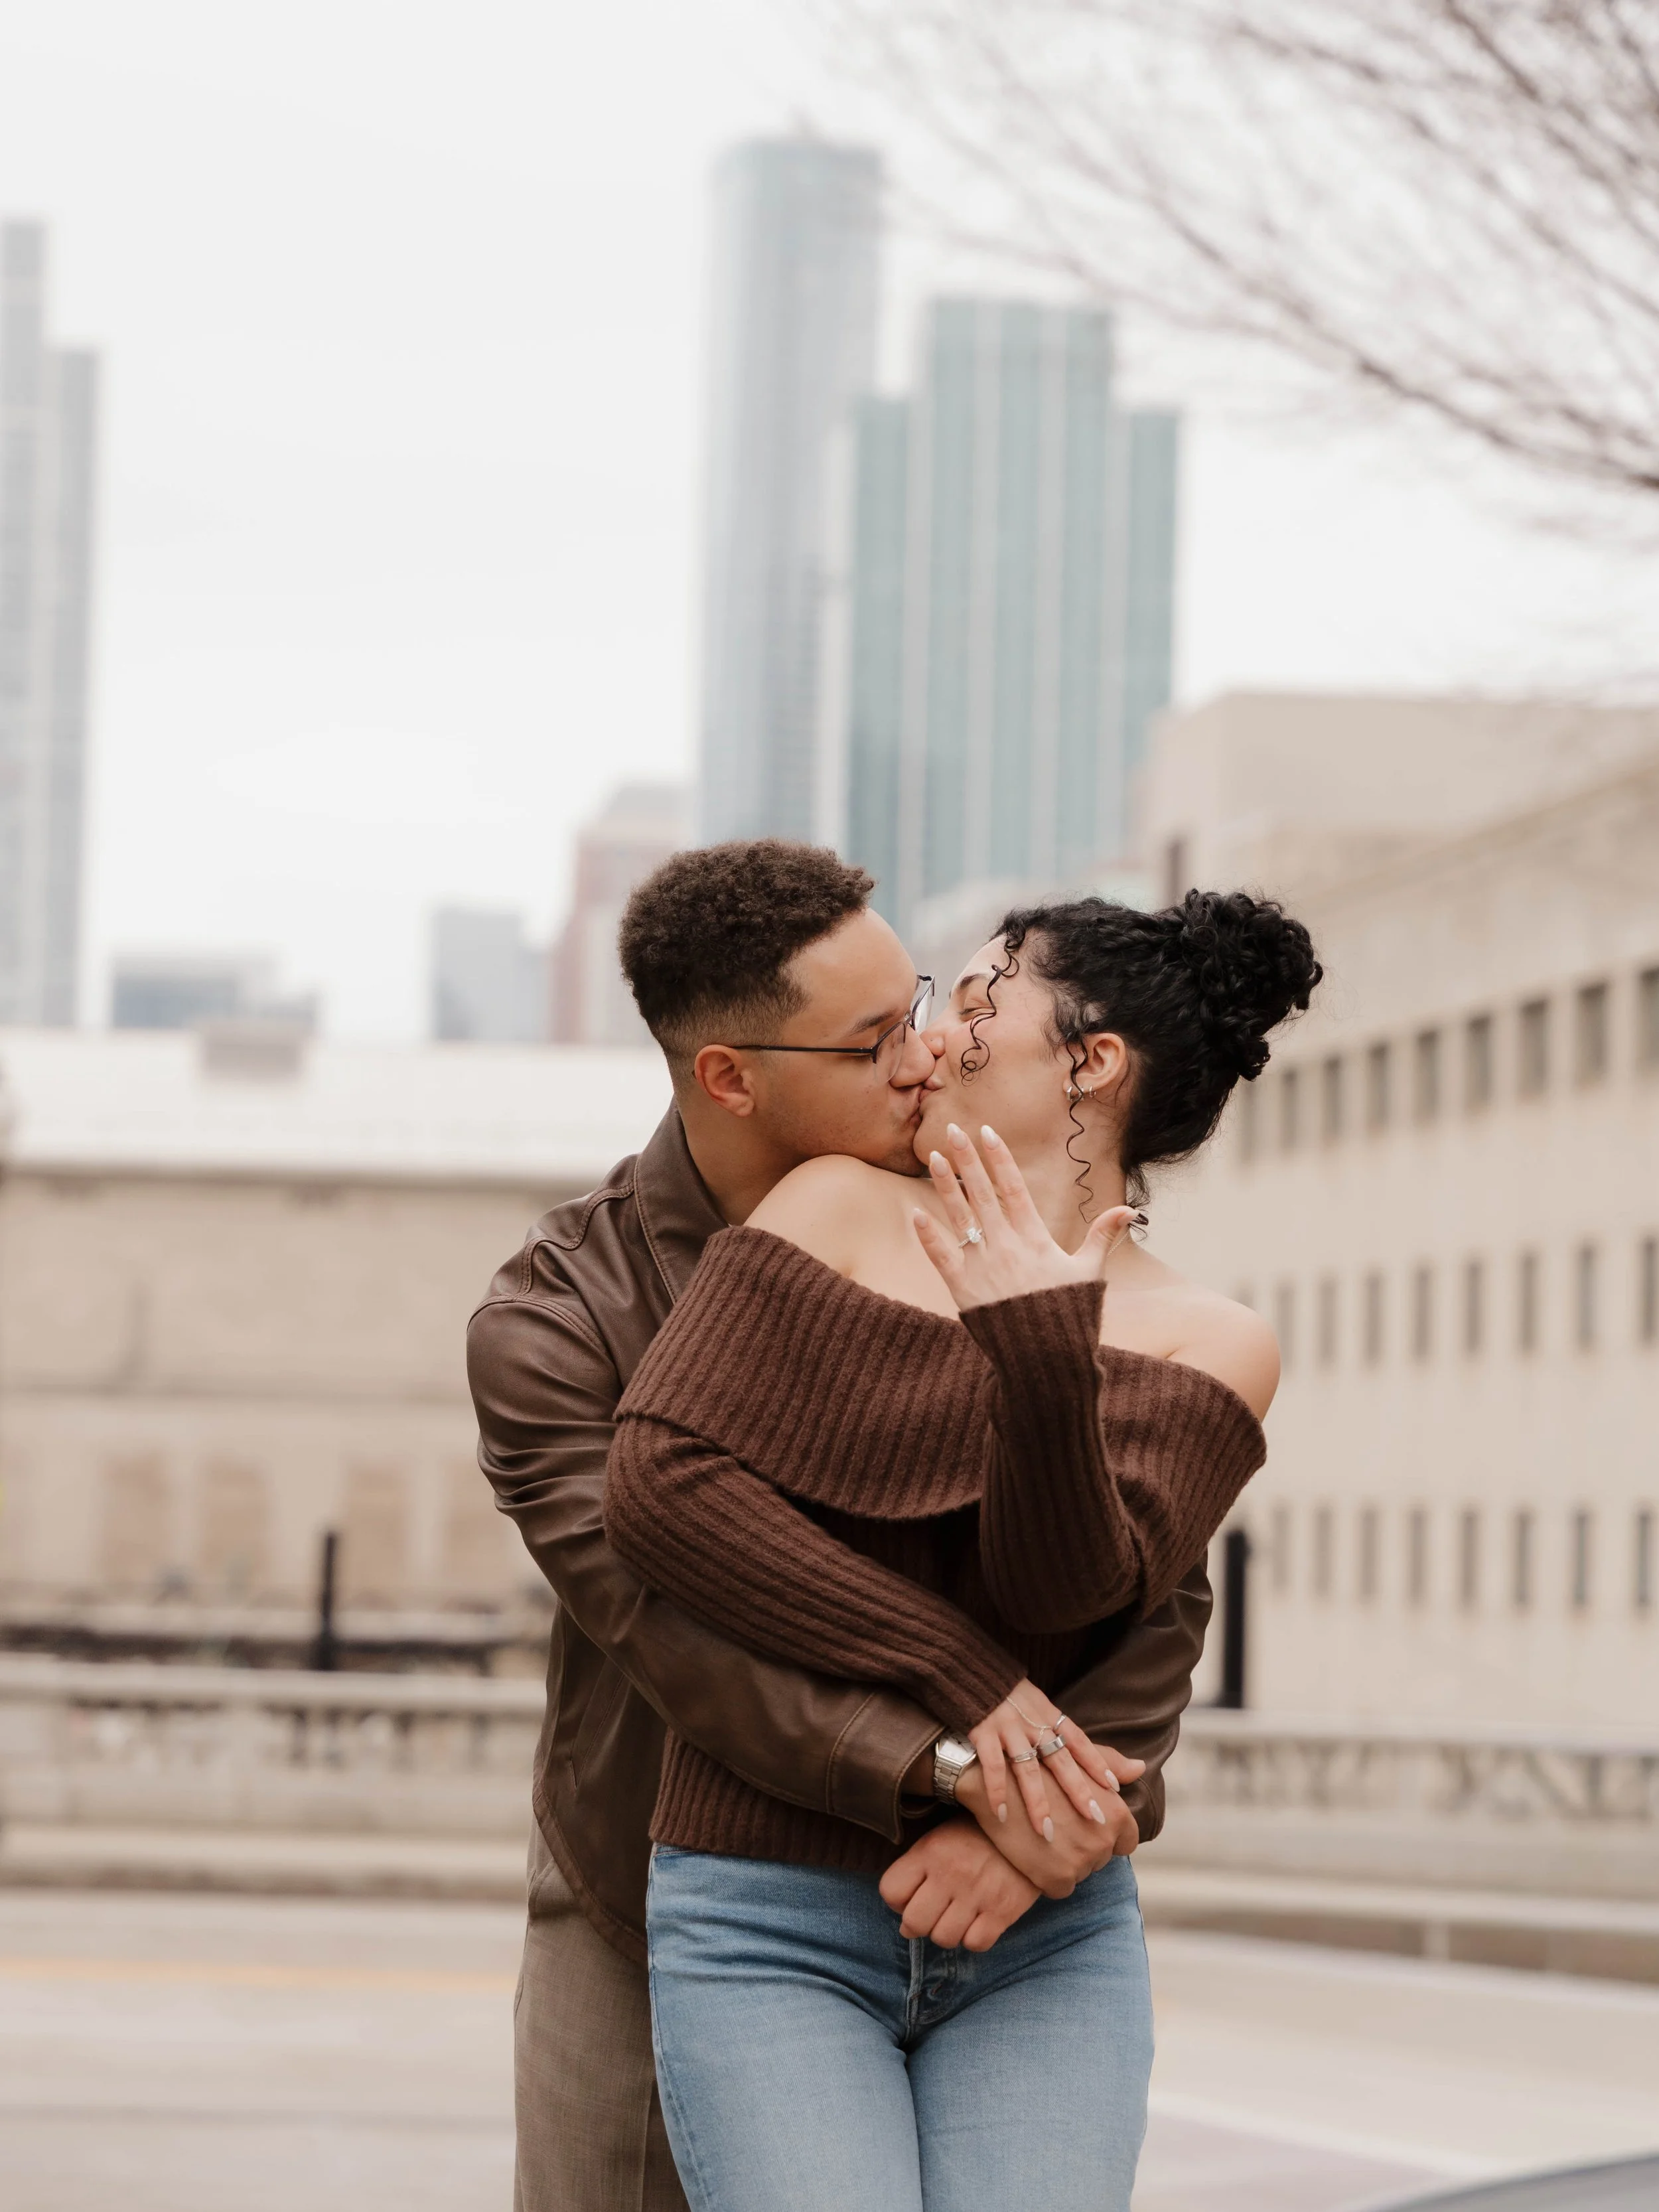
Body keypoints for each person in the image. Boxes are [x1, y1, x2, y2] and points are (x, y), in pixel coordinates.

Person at [467, 842, 1231, 2212]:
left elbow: (1151, 1594)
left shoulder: (987, 1237)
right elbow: (671, 1625)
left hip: (999, 1890)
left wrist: (1050, 1815)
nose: (925, 1055)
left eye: (924, 1006)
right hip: (658, 1878)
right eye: (874, 1040)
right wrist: (963, 1755)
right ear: (731, 1077)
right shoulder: (558, 1320)